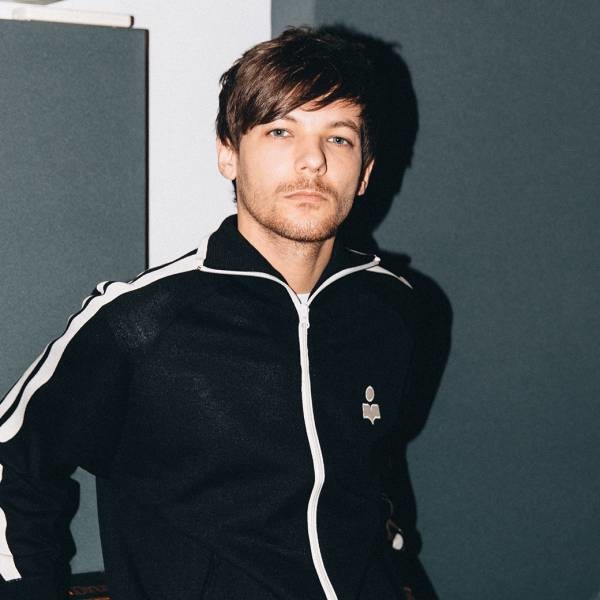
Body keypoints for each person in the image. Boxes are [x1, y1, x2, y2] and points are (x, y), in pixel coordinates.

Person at [0, 27, 420, 599]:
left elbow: (373, 485)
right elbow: (14, 466)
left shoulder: (388, 310)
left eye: (339, 138)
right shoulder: (142, 321)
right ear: (228, 153)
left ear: (365, 170)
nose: (312, 161)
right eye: (280, 131)